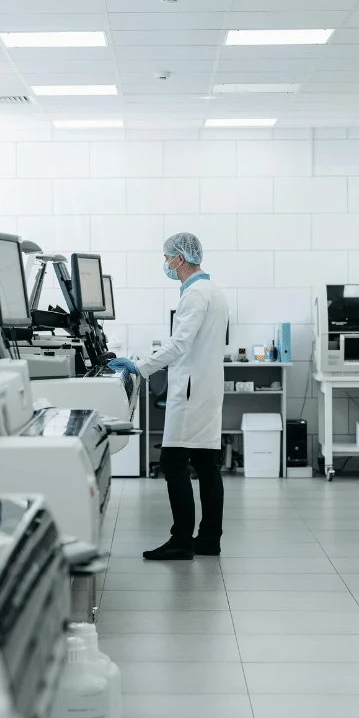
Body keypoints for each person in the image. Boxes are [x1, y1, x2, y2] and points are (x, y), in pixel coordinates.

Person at [107, 233, 230, 561]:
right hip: (206, 387)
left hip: (190, 391)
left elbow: (179, 345)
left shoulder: (194, 294)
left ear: (180, 257)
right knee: (206, 464)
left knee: (173, 462)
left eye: (167, 258)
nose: (166, 264)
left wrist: (139, 367)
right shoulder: (214, 291)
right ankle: (208, 539)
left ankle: (181, 541)